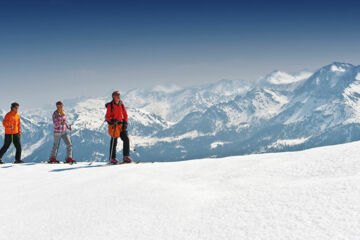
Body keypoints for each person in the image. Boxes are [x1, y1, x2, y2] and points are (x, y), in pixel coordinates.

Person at [106, 91, 132, 164]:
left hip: (121, 125)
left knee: (126, 139)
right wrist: (112, 120)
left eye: (119, 95)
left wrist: (125, 122)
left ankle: (126, 156)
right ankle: (112, 158)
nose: (119, 96)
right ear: (113, 96)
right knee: (114, 141)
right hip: (114, 126)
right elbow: (107, 117)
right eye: (117, 95)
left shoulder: (121, 104)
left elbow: (125, 114)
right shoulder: (110, 106)